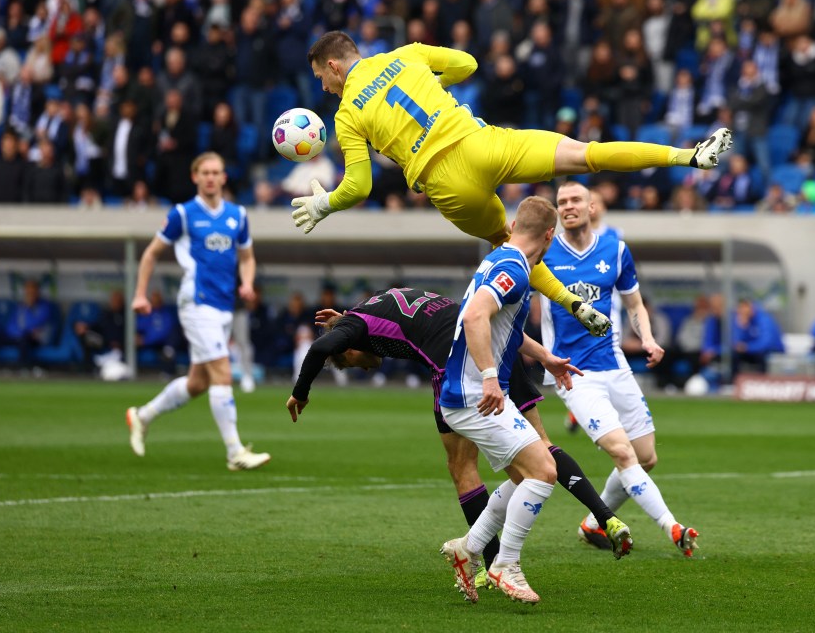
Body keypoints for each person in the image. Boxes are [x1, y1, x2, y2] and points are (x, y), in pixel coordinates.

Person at [292, 31, 733, 339]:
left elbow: (359, 186)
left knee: (511, 243)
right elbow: (468, 64)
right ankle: (689, 155)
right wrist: (432, 82)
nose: (325, 87)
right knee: (586, 154)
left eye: (321, 78)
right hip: (482, 144)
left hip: (448, 186)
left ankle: (572, 304)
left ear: (333, 65)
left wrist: (325, 204)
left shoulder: (347, 114)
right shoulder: (404, 55)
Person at [285, 283, 633, 590]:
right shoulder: (373, 304)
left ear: (347, 349)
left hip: (461, 367)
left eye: (356, 364)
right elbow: (392, 317)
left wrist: (301, 392)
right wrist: (544, 355)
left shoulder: (353, 327)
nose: (366, 366)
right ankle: (605, 517)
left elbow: (319, 349)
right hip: (496, 342)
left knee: (464, 466)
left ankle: (489, 562)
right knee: (541, 446)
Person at [540, 181, 699, 557]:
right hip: (573, 373)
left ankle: (592, 524)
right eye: (561, 202)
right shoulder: (543, 254)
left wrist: (647, 338)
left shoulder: (616, 249)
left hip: (614, 363)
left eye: (575, 200)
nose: (568, 207)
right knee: (623, 454)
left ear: (592, 206)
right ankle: (672, 527)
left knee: (647, 457)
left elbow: (634, 304)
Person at [437, 196, 580, 604]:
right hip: (471, 395)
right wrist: (488, 378)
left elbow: (502, 326)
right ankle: (505, 565)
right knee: (544, 471)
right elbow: (474, 316)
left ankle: (469, 548)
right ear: (550, 236)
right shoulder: (515, 270)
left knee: (525, 475)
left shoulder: (501, 259)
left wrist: (546, 357)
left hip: (464, 392)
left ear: (516, 223)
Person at [125, 152, 270, 471]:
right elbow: (150, 255)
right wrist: (140, 294)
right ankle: (235, 452)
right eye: (204, 172)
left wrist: (247, 283)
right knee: (222, 370)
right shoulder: (183, 214)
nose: (210, 177)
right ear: (195, 177)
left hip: (223, 306)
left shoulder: (238, 215)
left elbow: (247, 257)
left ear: (223, 178)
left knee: (198, 383)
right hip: (195, 300)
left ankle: (142, 415)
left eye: (215, 172)